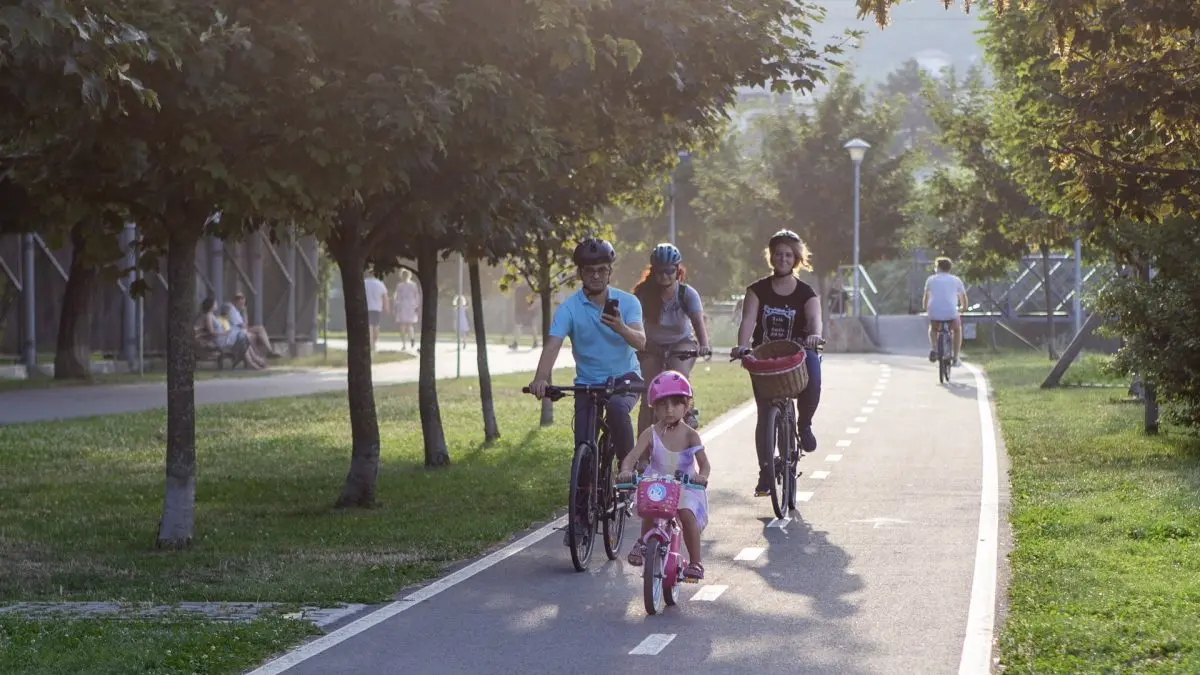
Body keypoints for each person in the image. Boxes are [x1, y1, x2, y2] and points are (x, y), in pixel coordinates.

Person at [526, 238, 647, 546]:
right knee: (583, 446)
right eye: (589, 270)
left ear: (610, 272)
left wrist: (620, 327)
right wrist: (541, 378)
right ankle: (580, 520)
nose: (596, 275)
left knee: (618, 410)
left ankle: (627, 471)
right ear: (580, 273)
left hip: (625, 379)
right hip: (588, 383)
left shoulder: (628, 303)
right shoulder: (569, 308)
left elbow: (641, 342)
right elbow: (553, 345)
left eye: (602, 270)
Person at [731, 229, 824, 497]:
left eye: (788, 255)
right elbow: (748, 320)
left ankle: (804, 424)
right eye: (778, 254)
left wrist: (814, 336)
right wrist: (742, 346)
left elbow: (815, 320)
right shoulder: (756, 290)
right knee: (764, 414)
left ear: (796, 259)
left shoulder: (806, 293)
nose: (783, 258)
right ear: (771, 257)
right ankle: (765, 471)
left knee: (814, 373)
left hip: (798, 354)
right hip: (766, 356)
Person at [618, 370, 710, 580]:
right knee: (649, 507)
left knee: (686, 514)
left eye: (675, 404)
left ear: (686, 406)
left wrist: (702, 476)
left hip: (684, 485)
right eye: (662, 405)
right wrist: (626, 471)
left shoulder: (690, 435)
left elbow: (704, 464)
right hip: (657, 483)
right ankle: (644, 542)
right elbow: (632, 457)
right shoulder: (651, 432)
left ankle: (695, 562)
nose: (669, 409)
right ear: (654, 407)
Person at [631, 243, 711, 434]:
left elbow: (698, 321)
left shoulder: (686, 294)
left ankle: (687, 410)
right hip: (651, 345)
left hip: (681, 343)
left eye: (669, 271)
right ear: (653, 272)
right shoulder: (643, 294)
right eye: (660, 271)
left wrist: (704, 345)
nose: (664, 276)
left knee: (678, 374)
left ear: (678, 271)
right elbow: (633, 322)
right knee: (649, 389)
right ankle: (642, 447)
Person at [923, 257, 968, 366]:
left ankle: (934, 348)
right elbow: (963, 298)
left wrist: (926, 308)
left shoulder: (931, 280)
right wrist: (963, 308)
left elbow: (926, 297)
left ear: (938, 268)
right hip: (951, 313)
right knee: (957, 330)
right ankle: (955, 357)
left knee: (933, 328)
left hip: (935, 312)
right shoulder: (956, 280)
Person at [226, 292, 281, 358]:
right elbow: (243, 326)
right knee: (260, 329)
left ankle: (266, 352)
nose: (242, 306)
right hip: (237, 333)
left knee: (260, 332)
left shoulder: (236, 311)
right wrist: (245, 313)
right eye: (241, 303)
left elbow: (245, 325)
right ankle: (268, 351)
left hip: (239, 331)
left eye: (243, 304)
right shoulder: (232, 311)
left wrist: (244, 312)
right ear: (236, 301)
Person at [392, 269, 421, 350]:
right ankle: (409, 340)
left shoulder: (403, 285)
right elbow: (416, 296)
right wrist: (417, 305)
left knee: (405, 325)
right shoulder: (410, 285)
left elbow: (396, 297)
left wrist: (395, 305)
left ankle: (407, 342)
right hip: (408, 305)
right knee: (407, 325)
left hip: (406, 305)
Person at [363, 271, 389, 352]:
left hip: (366, 307)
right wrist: (386, 308)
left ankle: (370, 342)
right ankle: (374, 343)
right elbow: (385, 297)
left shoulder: (364, 283)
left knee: (369, 325)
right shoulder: (380, 284)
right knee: (376, 326)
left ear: (369, 274)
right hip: (377, 308)